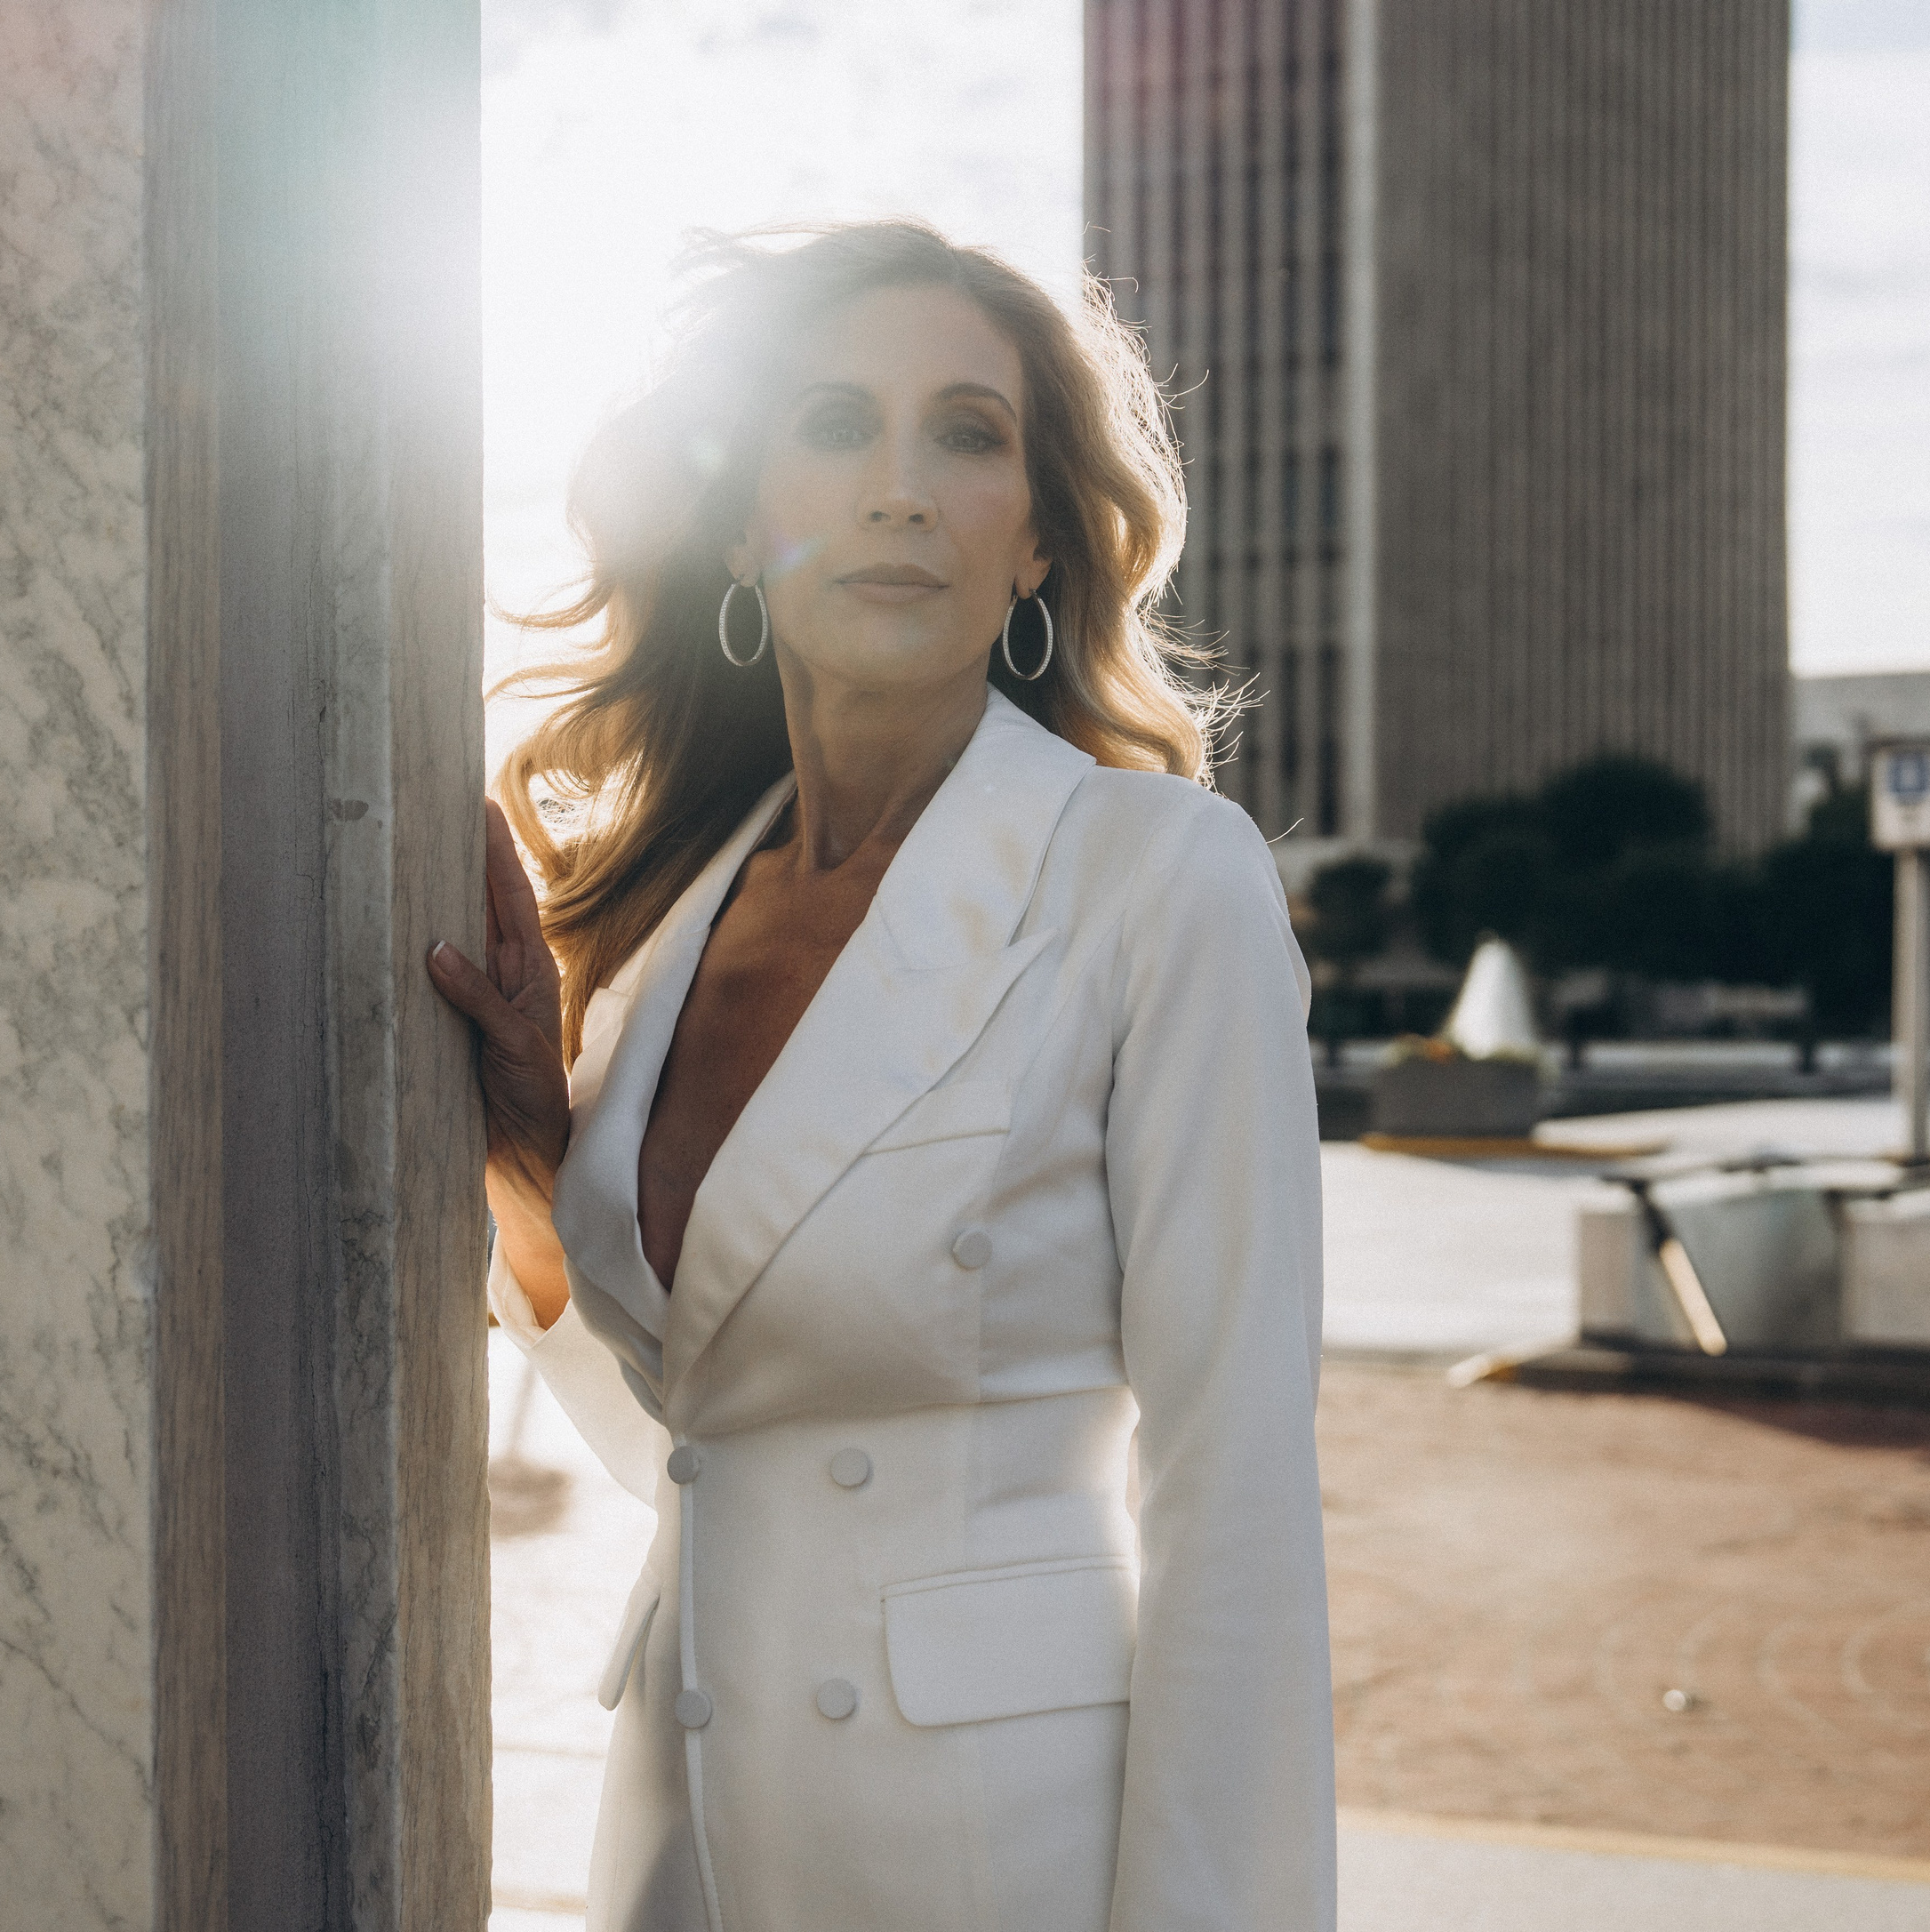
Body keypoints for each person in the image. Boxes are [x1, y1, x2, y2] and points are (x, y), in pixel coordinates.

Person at [428, 221, 1333, 1932]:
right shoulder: (662, 920)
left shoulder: (1159, 876)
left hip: (999, 1855)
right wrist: (540, 1162)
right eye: (834, 424)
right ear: (743, 515)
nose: (900, 489)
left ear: (1043, 542)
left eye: (968, 433)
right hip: (687, 1829)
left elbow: (1236, 1489)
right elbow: (709, 1438)